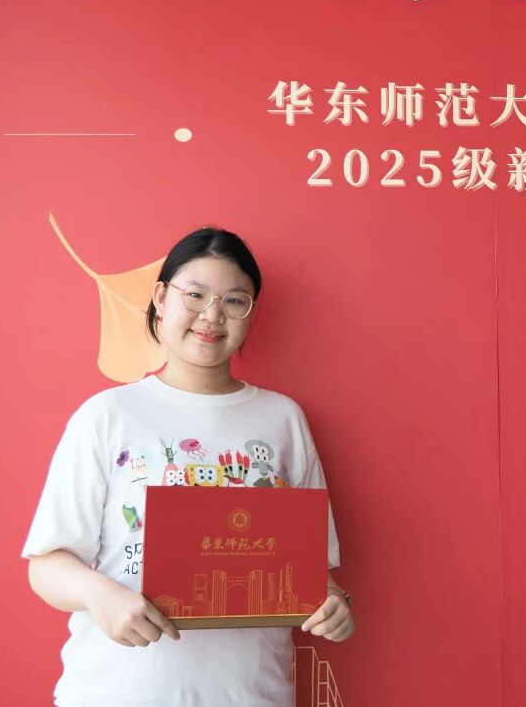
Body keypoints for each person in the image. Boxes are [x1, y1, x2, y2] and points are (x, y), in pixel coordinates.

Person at [23, 227, 354, 706]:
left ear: (251, 313)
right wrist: (101, 596)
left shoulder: (282, 419)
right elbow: (47, 565)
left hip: (254, 694)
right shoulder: (108, 414)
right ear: (161, 298)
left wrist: (334, 604)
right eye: (195, 295)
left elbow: (309, 570)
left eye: (234, 300)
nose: (212, 315)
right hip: (118, 692)